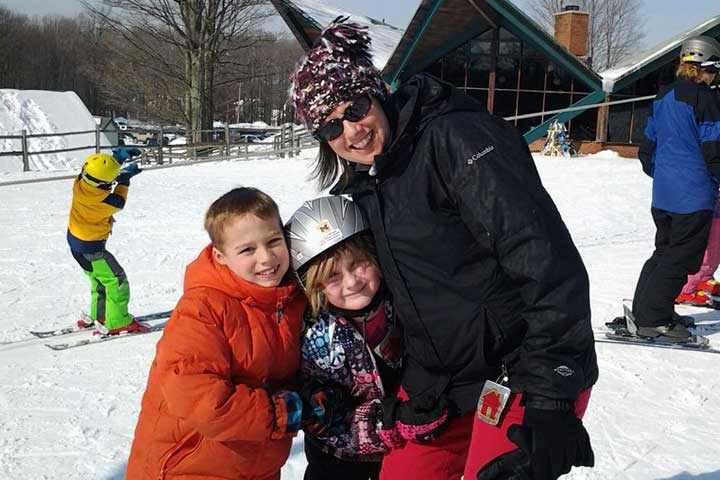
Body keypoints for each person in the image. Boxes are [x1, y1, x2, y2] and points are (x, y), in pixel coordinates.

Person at [289, 18, 598, 480]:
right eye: (331, 127)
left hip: (519, 372)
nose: (351, 131)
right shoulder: (370, 184)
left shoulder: (457, 139)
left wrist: (551, 395)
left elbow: (543, 260)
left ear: (376, 92)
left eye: (354, 107)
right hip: (441, 388)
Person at [126, 187, 308, 480]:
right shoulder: (202, 309)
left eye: (274, 241)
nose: (266, 258)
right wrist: (280, 412)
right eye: (247, 250)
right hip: (188, 467)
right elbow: (198, 396)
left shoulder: (290, 301)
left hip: (257, 466)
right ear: (220, 256)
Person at [286, 196, 408, 480]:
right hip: (339, 463)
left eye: (358, 264)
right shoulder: (316, 338)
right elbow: (322, 419)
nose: (352, 282)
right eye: (333, 277)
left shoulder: (401, 304)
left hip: (401, 452)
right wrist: (387, 425)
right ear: (314, 285)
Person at [632, 35, 720, 340]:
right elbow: (714, 148)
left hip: (665, 193)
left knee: (664, 252)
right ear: (708, 68)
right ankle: (654, 318)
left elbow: (647, 151)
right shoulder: (704, 98)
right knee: (680, 257)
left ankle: (651, 310)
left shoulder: (663, 96)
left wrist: (667, 175)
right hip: (693, 194)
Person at [67, 147, 145, 334]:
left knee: (99, 279)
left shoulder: (79, 183)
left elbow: (97, 174)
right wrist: (123, 181)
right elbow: (119, 201)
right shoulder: (104, 202)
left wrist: (116, 160)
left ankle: (99, 313)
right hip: (92, 248)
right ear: (106, 183)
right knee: (116, 280)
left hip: (76, 243)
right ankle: (118, 321)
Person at [676, 187, 720, 307]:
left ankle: (705, 278)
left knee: (715, 249)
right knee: (708, 249)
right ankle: (686, 289)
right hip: (707, 205)